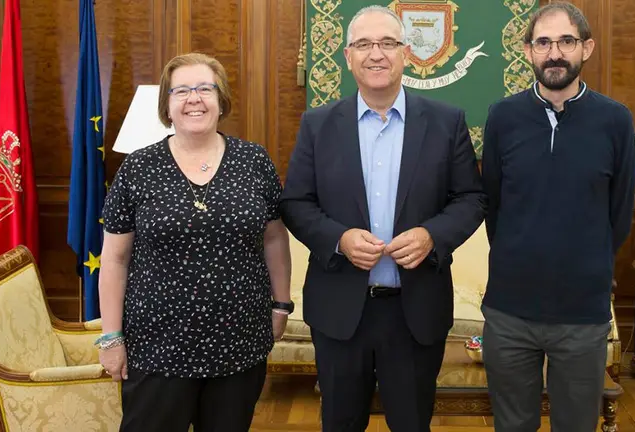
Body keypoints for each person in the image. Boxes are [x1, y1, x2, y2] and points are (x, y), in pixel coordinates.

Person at [280, 5, 485, 432]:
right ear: (347, 56)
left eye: (388, 43)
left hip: (415, 312)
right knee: (339, 422)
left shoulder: (446, 123)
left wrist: (432, 235)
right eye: (364, 44)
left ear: (406, 53)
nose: (377, 54)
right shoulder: (317, 125)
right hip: (339, 311)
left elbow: (470, 198)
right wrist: (338, 239)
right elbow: (296, 202)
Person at [97, 52, 292, 432]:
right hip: (157, 345)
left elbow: (274, 239)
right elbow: (115, 260)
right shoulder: (138, 168)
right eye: (180, 90)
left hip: (239, 340)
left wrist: (281, 305)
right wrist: (110, 338)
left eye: (205, 88)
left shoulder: (254, 161)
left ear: (222, 100)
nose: (194, 98)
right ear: (167, 106)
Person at [480, 3, 635, 431]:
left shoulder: (615, 121)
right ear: (528, 50)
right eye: (543, 42)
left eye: (566, 41)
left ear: (586, 48)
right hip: (510, 312)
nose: (554, 53)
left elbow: (619, 214)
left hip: (582, 315)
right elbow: (493, 205)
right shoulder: (502, 118)